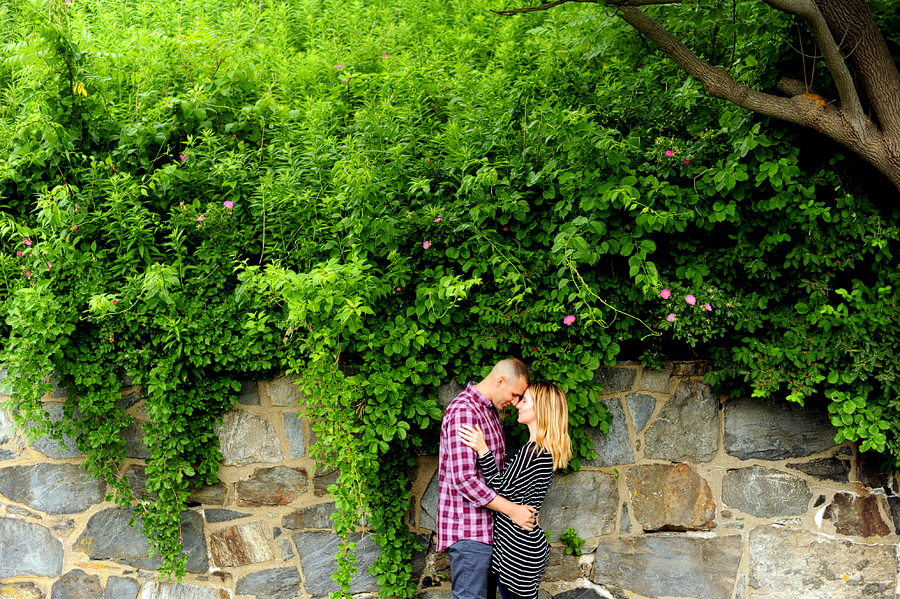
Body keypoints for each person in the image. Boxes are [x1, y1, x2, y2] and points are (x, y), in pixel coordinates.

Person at [458, 381, 573, 599]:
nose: (518, 405)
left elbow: (498, 489)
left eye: (525, 400)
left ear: (540, 408)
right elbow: (518, 494)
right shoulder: (539, 450)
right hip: (518, 548)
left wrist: (482, 450)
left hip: (519, 552)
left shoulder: (534, 452)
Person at [437, 358, 537, 599]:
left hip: (488, 533)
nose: (514, 402)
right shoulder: (465, 411)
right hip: (470, 532)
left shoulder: (488, 410)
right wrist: (512, 510)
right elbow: (464, 480)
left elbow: (495, 476)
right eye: (514, 394)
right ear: (500, 380)